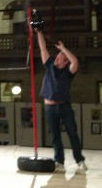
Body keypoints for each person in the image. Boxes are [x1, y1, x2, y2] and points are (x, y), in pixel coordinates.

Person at [36, 29, 87, 172]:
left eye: (60, 58)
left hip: (64, 107)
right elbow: (43, 48)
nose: (57, 59)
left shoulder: (68, 72)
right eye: (57, 57)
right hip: (50, 108)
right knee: (55, 136)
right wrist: (39, 33)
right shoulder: (49, 66)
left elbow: (75, 61)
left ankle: (79, 160)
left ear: (65, 62)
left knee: (72, 133)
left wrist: (63, 49)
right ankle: (59, 162)